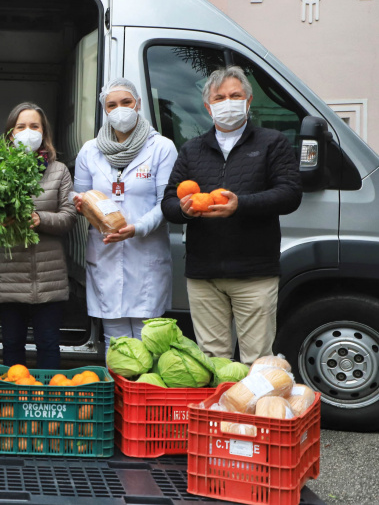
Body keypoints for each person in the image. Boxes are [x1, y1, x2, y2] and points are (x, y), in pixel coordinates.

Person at [161, 66, 302, 364]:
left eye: (235, 95)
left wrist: (242, 204)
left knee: (257, 362)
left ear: (248, 102)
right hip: (204, 274)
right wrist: (185, 210)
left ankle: (252, 412)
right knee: (213, 361)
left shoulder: (271, 142)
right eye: (220, 97)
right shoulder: (191, 150)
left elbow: (290, 194)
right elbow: (169, 203)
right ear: (208, 107)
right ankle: (218, 412)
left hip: (254, 272)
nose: (228, 102)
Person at [73, 78, 178, 351]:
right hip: (105, 253)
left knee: (149, 342)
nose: (120, 109)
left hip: (146, 254)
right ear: (104, 110)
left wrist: (137, 228)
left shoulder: (161, 148)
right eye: (112, 104)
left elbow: (166, 203)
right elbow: (80, 197)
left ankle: (142, 395)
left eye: (126, 102)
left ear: (138, 104)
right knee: (116, 341)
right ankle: (119, 395)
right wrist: (84, 207)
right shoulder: (90, 150)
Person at [0, 103, 77, 369]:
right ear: (10, 133)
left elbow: (69, 217)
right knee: (12, 346)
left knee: (48, 345)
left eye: (34, 126)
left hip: (49, 280)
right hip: (10, 277)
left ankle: (46, 404)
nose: (28, 132)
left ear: (44, 132)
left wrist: (41, 219)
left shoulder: (59, 171)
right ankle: (13, 403)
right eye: (21, 126)